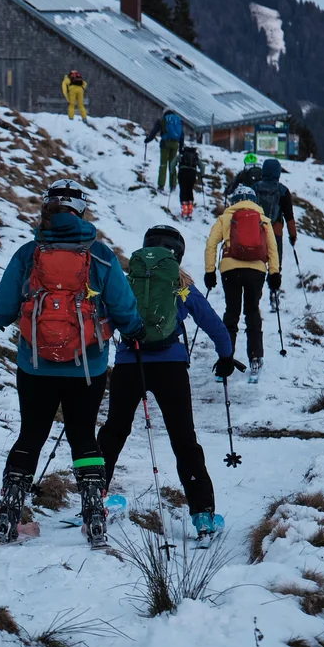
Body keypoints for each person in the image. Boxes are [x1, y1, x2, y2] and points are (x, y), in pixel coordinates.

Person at [0, 179, 142, 543]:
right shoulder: (100, 255)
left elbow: (3, 311)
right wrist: (134, 328)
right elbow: (123, 307)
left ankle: (9, 516)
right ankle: (93, 516)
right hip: (88, 365)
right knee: (84, 436)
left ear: (47, 212)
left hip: (35, 364)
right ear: (81, 212)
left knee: (31, 434)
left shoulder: (28, 254)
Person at [98, 225, 241, 544]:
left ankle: (93, 499)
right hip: (171, 367)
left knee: (113, 431)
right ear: (178, 253)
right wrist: (226, 356)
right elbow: (214, 324)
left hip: (127, 363)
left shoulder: (128, 281)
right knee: (184, 440)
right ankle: (203, 515)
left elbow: (106, 317)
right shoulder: (182, 286)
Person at [204, 182, 280, 378]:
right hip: (256, 270)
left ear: (234, 201)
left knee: (232, 313)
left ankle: (225, 357)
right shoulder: (263, 219)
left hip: (231, 269)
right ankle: (255, 357)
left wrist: (210, 271)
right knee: (252, 311)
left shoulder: (225, 218)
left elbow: (211, 244)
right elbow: (272, 248)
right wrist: (274, 273)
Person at [145, 108, 186, 190]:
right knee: (172, 164)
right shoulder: (178, 120)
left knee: (163, 164)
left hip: (165, 144)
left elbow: (154, 131)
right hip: (175, 144)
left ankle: (161, 185)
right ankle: (173, 185)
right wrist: (181, 148)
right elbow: (182, 135)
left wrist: (148, 139)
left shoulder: (162, 120)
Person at [177, 143, 201, 220]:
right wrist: (201, 174)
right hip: (192, 174)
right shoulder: (195, 156)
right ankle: (190, 211)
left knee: (183, 190)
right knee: (189, 190)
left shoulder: (182, 155)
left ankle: (184, 210)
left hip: (182, 172)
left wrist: (172, 171)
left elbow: (173, 163)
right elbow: (202, 166)